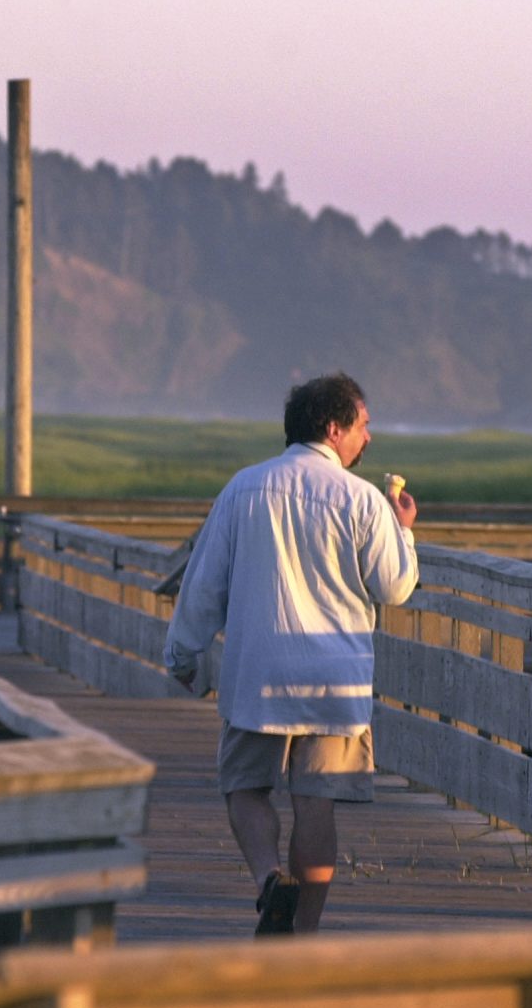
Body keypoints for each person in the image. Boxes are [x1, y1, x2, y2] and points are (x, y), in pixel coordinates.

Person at [163, 372, 419, 936]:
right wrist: (403, 531)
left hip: (258, 671)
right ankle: (302, 932)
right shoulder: (363, 500)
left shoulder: (244, 488)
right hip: (335, 679)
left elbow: (204, 584)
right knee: (316, 803)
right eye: (363, 425)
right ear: (334, 428)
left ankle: (268, 881)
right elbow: (395, 588)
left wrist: (184, 655)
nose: (368, 438)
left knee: (245, 789)